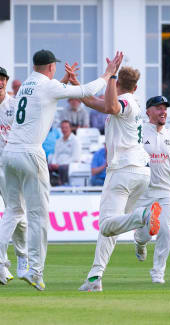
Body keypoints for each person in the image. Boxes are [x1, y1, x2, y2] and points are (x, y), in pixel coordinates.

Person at [0, 49, 121, 291]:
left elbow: (49, 94)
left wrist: (63, 82)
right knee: (38, 216)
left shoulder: (25, 85)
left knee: (13, 212)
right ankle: (35, 271)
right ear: (51, 67)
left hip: (9, 154)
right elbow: (87, 91)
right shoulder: (48, 86)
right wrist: (109, 74)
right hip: (30, 153)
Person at [77, 64, 162, 292]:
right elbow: (95, 102)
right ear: (136, 86)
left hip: (123, 171)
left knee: (106, 225)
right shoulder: (126, 101)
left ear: (118, 84)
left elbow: (113, 105)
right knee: (113, 226)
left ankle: (143, 216)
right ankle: (95, 277)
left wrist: (111, 76)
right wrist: (74, 86)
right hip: (140, 173)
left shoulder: (126, 102)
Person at [133, 95, 170, 284]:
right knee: (146, 233)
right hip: (143, 191)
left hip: (164, 191)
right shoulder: (139, 132)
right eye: (158, 108)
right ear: (148, 111)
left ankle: (158, 272)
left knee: (166, 231)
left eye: (165, 108)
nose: (163, 111)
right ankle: (140, 242)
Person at [0, 67, 28, 285]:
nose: (0, 82)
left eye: (2, 79)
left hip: (11, 166)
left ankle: (22, 255)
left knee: (18, 215)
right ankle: (3, 264)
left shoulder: (15, 104)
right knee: (14, 212)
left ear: (6, 82)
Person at [48, 120, 81, 186]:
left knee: (63, 168)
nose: (64, 130)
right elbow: (55, 155)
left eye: (66, 127)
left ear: (70, 128)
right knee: (47, 167)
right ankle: (50, 186)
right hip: (58, 164)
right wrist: (54, 163)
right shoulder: (58, 141)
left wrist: (60, 165)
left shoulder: (75, 141)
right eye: (62, 128)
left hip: (69, 165)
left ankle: (63, 186)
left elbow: (75, 158)